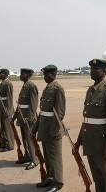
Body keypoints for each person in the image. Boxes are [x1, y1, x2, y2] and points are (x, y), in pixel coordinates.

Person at [74, 58, 106, 192]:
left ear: (104, 71)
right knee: (98, 179)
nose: (92, 71)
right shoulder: (90, 90)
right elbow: (87, 119)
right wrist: (78, 141)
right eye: (91, 69)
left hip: (103, 144)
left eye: (95, 69)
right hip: (90, 142)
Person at [32, 64, 65, 192]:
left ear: (54, 74)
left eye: (47, 74)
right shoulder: (48, 88)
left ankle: (58, 181)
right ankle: (50, 178)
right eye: (44, 75)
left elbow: (60, 113)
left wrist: (53, 130)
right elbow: (43, 111)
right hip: (44, 127)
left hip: (52, 128)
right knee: (47, 155)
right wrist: (35, 127)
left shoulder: (57, 88)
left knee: (54, 156)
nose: (45, 77)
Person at [12, 68, 39, 170]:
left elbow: (33, 104)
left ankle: (34, 160)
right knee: (24, 139)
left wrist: (30, 118)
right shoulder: (25, 86)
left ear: (27, 75)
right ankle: (27, 156)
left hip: (28, 118)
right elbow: (20, 105)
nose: (20, 75)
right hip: (22, 117)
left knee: (30, 139)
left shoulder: (31, 86)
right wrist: (14, 117)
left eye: (22, 74)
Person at [0, 68, 15, 152]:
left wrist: (7, 110)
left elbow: (9, 98)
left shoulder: (7, 84)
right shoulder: (2, 83)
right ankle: (4, 143)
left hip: (6, 109)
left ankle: (10, 145)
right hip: (1, 107)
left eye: (1, 74)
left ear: (5, 74)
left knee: (8, 128)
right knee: (3, 127)